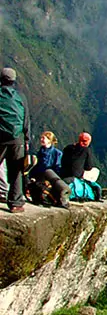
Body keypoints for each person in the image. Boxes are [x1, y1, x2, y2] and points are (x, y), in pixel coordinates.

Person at [0, 67, 30, 213]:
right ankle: (16, 203)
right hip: (17, 139)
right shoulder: (20, 97)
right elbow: (26, 121)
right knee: (16, 171)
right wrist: (26, 140)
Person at [28, 131, 70, 208]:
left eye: (44, 138)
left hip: (51, 176)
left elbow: (58, 167)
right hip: (40, 176)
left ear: (49, 140)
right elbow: (36, 167)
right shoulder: (40, 152)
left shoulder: (57, 153)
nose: (41, 139)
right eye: (41, 138)